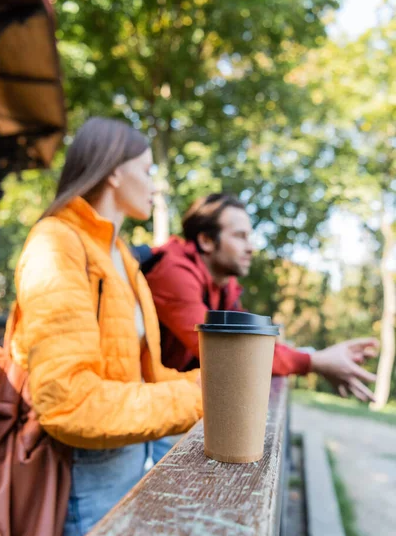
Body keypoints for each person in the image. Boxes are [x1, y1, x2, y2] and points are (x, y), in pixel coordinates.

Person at [9, 117, 202, 536]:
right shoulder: (56, 243)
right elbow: (67, 401)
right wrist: (200, 396)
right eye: (148, 171)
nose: (156, 185)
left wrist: (209, 386)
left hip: (129, 456)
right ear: (114, 170)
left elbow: (142, 377)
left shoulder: (118, 254)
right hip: (83, 472)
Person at [145, 192, 378, 461]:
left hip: (186, 403)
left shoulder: (224, 287)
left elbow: (252, 345)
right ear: (206, 240)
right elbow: (230, 354)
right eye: (240, 236)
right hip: (152, 412)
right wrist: (315, 361)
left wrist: (317, 357)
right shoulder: (172, 272)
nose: (250, 247)